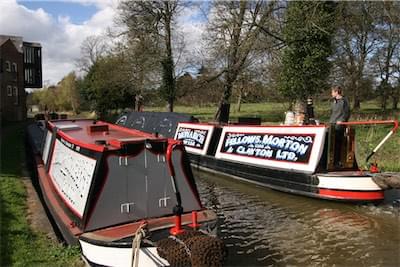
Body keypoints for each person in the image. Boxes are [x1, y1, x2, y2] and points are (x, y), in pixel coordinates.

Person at [329, 86, 350, 167]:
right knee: (331, 143)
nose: (331, 94)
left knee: (338, 144)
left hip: (339, 125)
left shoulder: (344, 101)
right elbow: (332, 113)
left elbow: (347, 113)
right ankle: (330, 161)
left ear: (336, 92)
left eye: (332, 92)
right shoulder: (333, 102)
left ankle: (337, 162)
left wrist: (342, 121)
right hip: (332, 124)